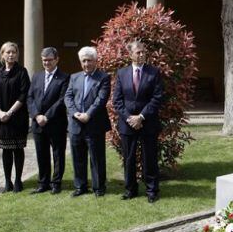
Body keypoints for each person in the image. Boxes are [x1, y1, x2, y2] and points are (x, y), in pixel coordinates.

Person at [113, 40, 164, 202]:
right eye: (138, 52)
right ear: (130, 55)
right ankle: (131, 190)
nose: (142, 54)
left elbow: (157, 98)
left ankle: (152, 191)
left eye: (143, 52)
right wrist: (129, 118)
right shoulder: (121, 73)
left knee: (149, 158)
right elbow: (117, 101)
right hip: (127, 124)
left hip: (147, 122)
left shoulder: (154, 72)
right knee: (129, 158)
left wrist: (141, 117)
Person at [64, 46, 110, 197]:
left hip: (94, 124)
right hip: (76, 124)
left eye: (89, 61)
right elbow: (68, 97)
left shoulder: (103, 77)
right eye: (83, 61)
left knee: (96, 158)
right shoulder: (74, 77)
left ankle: (99, 187)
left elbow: (101, 99)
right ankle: (80, 187)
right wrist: (75, 113)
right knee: (78, 157)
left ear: (95, 61)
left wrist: (88, 114)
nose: (86, 64)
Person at [0, 41, 30, 193]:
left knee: (18, 149)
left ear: (17, 54)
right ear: (2, 54)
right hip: (1, 119)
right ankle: (7, 181)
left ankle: (18, 180)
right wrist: (0, 113)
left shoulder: (22, 72)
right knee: (6, 150)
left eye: (13, 52)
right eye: (8, 52)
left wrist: (10, 112)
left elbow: (24, 94)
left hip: (17, 117)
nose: (11, 54)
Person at [27, 47, 68, 194]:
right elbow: (30, 97)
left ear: (57, 59)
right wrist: (37, 115)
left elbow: (62, 100)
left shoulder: (64, 77)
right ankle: (43, 183)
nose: (47, 63)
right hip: (38, 123)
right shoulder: (36, 76)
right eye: (44, 60)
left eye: (50, 60)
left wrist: (47, 116)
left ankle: (56, 183)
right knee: (41, 154)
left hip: (56, 123)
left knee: (58, 154)